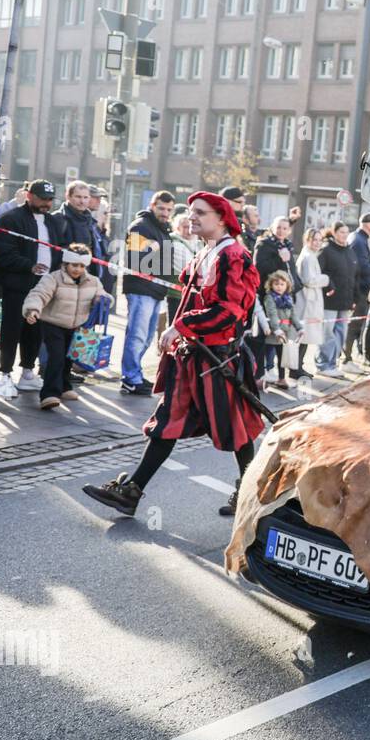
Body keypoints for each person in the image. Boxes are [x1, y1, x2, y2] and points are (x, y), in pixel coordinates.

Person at [81, 191, 265, 518]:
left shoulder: (232, 255)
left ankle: (252, 494)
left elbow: (229, 311)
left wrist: (181, 326)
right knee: (168, 422)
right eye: (191, 211)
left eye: (200, 213)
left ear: (222, 219)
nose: (191, 217)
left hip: (216, 359)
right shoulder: (208, 251)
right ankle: (131, 491)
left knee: (234, 428)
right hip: (194, 356)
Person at [21, 244, 112, 409]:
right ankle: (49, 394)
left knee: (69, 358)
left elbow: (102, 295)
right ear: (66, 263)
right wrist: (32, 310)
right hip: (53, 323)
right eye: (74, 265)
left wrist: (103, 300)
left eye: (82, 266)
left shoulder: (93, 281)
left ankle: (64, 387)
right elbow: (39, 294)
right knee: (56, 357)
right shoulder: (53, 278)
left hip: (77, 325)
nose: (78, 269)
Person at [0, 179, 58, 397]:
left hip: (44, 287)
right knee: (12, 329)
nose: (47, 203)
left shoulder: (52, 221)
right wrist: (29, 266)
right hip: (18, 286)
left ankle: (27, 371)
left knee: (35, 330)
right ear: (29, 196)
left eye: (50, 199)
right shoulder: (11, 219)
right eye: (42, 199)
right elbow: (3, 254)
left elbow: (58, 249)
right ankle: (5, 374)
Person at [121, 190, 178, 396]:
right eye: (161, 208)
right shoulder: (140, 227)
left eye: (169, 210)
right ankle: (130, 378)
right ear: (152, 206)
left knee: (145, 337)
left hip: (156, 290)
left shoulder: (162, 229)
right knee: (136, 335)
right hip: (140, 289)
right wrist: (150, 249)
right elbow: (133, 258)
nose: (165, 213)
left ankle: (134, 374)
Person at [52, 180, 113, 295]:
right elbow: (53, 252)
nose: (82, 201)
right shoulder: (58, 219)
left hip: (87, 280)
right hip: (63, 282)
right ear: (68, 196)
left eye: (85, 197)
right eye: (78, 197)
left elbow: (95, 251)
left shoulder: (90, 221)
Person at [315, 222, 357, 376]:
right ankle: (323, 365)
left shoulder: (350, 252)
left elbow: (353, 277)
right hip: (329, 301)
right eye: (341, 232)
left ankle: (333, 363)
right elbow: (319, 272)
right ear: (334, 233)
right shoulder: (325, 250)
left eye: (347, 232)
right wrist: (329, 287)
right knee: (327, 333)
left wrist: (354, 298)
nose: (344, 235)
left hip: (345, 302)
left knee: (341, 334)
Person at [346, 212, 370, 371]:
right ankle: (346, 359)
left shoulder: (362, 239)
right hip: (359, 290)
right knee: (354, 325)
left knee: (357, 325)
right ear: (368, 224)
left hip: (363, 289)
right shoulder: (358, 240)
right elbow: (362, 267)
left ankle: (349, 357)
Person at [293, 227, 327, 378]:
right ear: (308, 240)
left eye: (320, 240)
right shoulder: (308, 257)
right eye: (315, 240)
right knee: (302, 336)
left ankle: (299, 367)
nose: (318, 243)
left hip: (310, 301)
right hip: (306, 302)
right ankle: (296, 369)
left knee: (305, 337)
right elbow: (308, 280)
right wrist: (325, 279)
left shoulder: (311, 255)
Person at [261, 270, 295, 389]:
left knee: (282, 357)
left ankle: (281, 379)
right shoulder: (270, 298)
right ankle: (264, 376)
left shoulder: (288, 298)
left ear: (287, 285)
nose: (279, 287)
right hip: (273, 333)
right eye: (276, 284)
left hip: (284, 333)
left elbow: (293, 315)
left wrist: (300, 328)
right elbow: (272, 314)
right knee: (268, 355)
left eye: (282, 284)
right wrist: (277, 329)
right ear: (271, 285)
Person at [253, 215, 301, 298]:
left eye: (284, 228)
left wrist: (298, 283)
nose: (281, 231)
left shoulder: (288, 245)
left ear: (289, 230)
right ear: (272, 228)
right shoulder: (264, 244)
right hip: (270, 294)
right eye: (278, 227)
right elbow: (259, 267)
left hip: (288, 294)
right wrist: (278, 258)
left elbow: (291, 268)